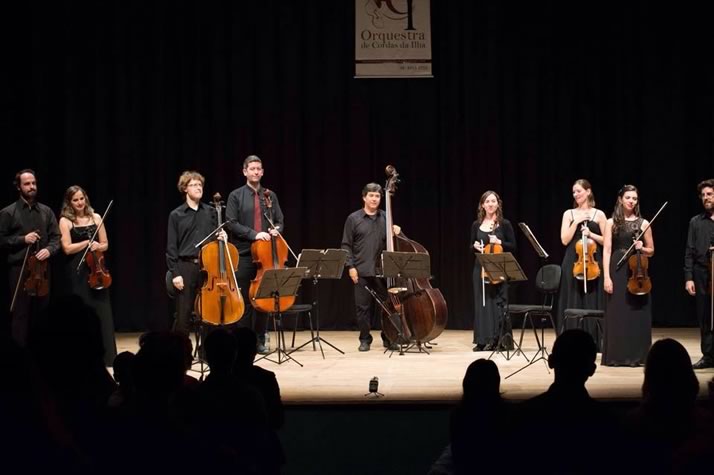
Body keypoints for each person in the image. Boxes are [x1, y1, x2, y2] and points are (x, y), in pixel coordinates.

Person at [225, 155, 283, 354]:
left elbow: (279, 220)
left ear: (262, 171)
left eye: (259, 168)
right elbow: (231, 223)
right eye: (252, 168)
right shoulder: (235, 196)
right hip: (244, 253)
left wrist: (276, 229)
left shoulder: (270, 195)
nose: (256, 172)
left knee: (263, 300)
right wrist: (254, 234)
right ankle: (243, 340)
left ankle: (259, 338)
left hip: (266, 255)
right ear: (245, 171)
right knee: (245, 300)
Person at [0, 169, 60, 347]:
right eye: (26, 184)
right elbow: (1, 239)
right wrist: (22, 239)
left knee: (43, 313)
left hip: (42, 270)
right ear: (18, 187)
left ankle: (41, 352)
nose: (31, 187)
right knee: (21, 314)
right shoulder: (8, 212)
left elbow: (56, 238)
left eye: (33, 183)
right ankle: (19, 355)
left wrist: (49, 250)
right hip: (19, 269)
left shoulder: (46, 211)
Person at [58, 185, 117, 366]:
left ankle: (107, 357)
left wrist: (98, 246)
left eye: (81, 198)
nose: (79, 203)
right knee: (81, 314)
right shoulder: (65, 221)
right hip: (77, 271)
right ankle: (81, 357)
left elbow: (105, 244)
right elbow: (67, 248)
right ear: (69, 202)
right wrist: (86, 242)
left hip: (96, 270)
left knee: (102, 312)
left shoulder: (96, 217)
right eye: (75, 200)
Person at [341, 183, 400, 352]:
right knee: (362, 309)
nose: (374, 199)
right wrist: (350, 266)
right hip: (361, 271)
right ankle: (365, 339)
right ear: (364, 197)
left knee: (387, 307)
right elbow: (346, 245)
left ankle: (389, 338)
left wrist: (397, 231)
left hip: (383, 272)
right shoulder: (353, 219)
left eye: (378, 196)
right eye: (371, 196)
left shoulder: (386, 218)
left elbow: (393, 244)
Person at [602, 184, 654, 366]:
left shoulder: (644, 223)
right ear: (620, 199)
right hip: (617, 268)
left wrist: (642, 248)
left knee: (637, 312)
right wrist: (607, 277)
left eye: (634, 198)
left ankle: (638, 356)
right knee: (617, 313)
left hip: (637, 271)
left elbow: (651, 251)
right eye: (628, 198)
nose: (631, 201)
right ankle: (617, 356)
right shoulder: (611, 223)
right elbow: (607, 250)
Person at [166, 171, 221, 336]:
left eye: (200, 185)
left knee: (208, 313)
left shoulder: (211, 212)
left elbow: (215, 240)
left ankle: (206, 352)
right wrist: (175, 273)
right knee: (184, 314)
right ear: (185, 189)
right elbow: (171, 248)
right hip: (185, 268)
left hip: (208, 267)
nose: (198, 188)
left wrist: (223, 236)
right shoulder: (176, 215)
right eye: (194, 185)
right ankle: (180, 353)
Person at [557, 179, 607, 347]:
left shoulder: (599, 214)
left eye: (579, 191)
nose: (576, 194)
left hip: (592, 260)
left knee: (592, 297)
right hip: (573, 260)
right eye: (574, 192)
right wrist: (576, 222)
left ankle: (594, 338)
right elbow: (564, 240)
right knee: (573, 297)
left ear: (588, 191)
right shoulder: (568, 214)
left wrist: (591, 234)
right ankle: (571, 339)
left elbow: (607, 241)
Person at [470, 190, 516, 351]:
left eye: (493, 201)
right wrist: (475, 246)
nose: (490, 204)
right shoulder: (476, 224)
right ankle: (482, 340)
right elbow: (471, 246)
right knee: (482, 303)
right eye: (487, 201)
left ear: (498, 204)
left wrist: (500, 241)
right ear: (482, 205)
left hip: (498, 268)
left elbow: (513, 246)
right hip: (480, 268)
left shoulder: (505, 224)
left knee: (497, 303)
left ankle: (499, 340)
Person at [684, 178, 714, 369]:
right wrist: (688, 278)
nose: (706, 198)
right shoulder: (695, 222)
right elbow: (689, 251)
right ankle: (708, 356)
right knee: (705, 316)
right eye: (703, 195)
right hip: (702, 273)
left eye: (709, 194)